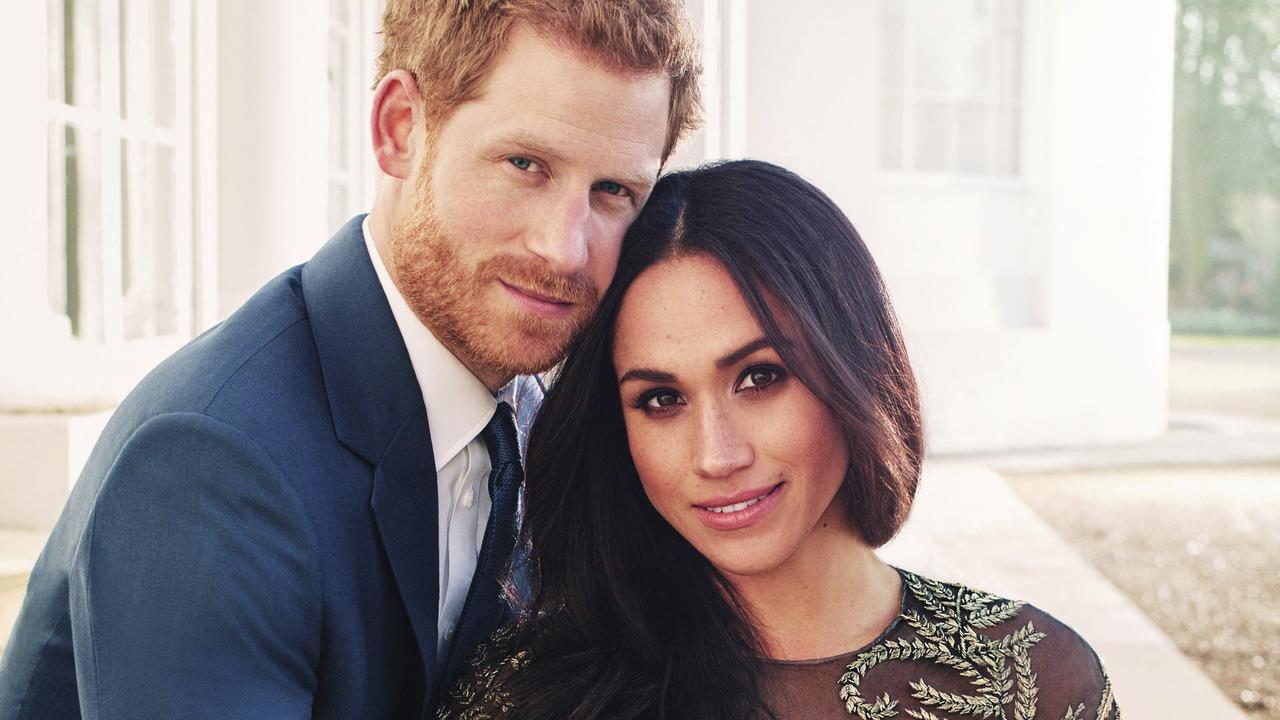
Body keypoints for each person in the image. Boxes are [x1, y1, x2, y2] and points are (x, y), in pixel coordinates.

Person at [0, 2, 700, 718]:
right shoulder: (211, 465)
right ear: (399, 128)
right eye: (525, 164)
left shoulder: (538, 408)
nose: (564, 249)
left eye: (614, 191)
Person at [436, 160, 1122, 720]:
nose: (716, 455)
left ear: (852, 366)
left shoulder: (1034, 682)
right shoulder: (527, 697)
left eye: (761, 377)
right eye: (661, 400)